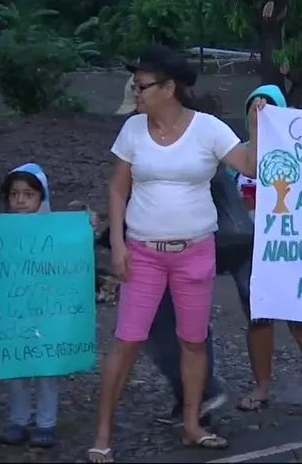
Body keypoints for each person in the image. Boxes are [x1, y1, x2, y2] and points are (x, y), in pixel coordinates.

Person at [88, 43, 259, 463]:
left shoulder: (209, 129)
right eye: (136, 83)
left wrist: (259, 129)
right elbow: (116, 188)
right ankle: (103, 435)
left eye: (142, 84)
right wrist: (120, 244)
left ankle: (192, 426)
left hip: (195, 252)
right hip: (144, 253)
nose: (136, 90)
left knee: (193, 341)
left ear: (169, 88)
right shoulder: (132, 130)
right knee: (127, 341)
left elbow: (251, 166)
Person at [228, 85, 302, 412]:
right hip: (250, 251)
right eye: (254, 107)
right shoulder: (237, 154)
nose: (260, 112)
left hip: (292, 251)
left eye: (268, 107)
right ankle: (262, 388)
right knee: (258, 321)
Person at [0, 163, 95, 448]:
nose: (20, 200)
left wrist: (88, 225)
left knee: (46, 371)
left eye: (28, 194)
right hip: (12, 317)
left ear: (42, 197)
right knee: (15, 371)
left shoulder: (58, 231)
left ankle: (45, 423)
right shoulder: (2, 233)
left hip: (48, 317)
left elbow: (75, 255)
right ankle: (18, 420)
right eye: (14, 194)